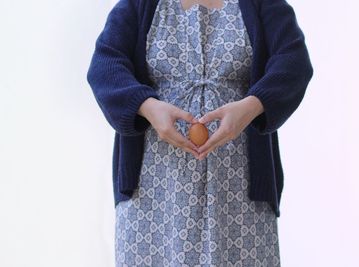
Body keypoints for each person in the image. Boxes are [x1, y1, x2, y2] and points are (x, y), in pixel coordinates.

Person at [87, 0, 313, 266]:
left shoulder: (261, 4)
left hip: (239, 187)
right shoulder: (140, 4)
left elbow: (294, 61)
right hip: (154, 191)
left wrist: (252, 105)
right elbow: (105, 64)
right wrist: (147, 107)